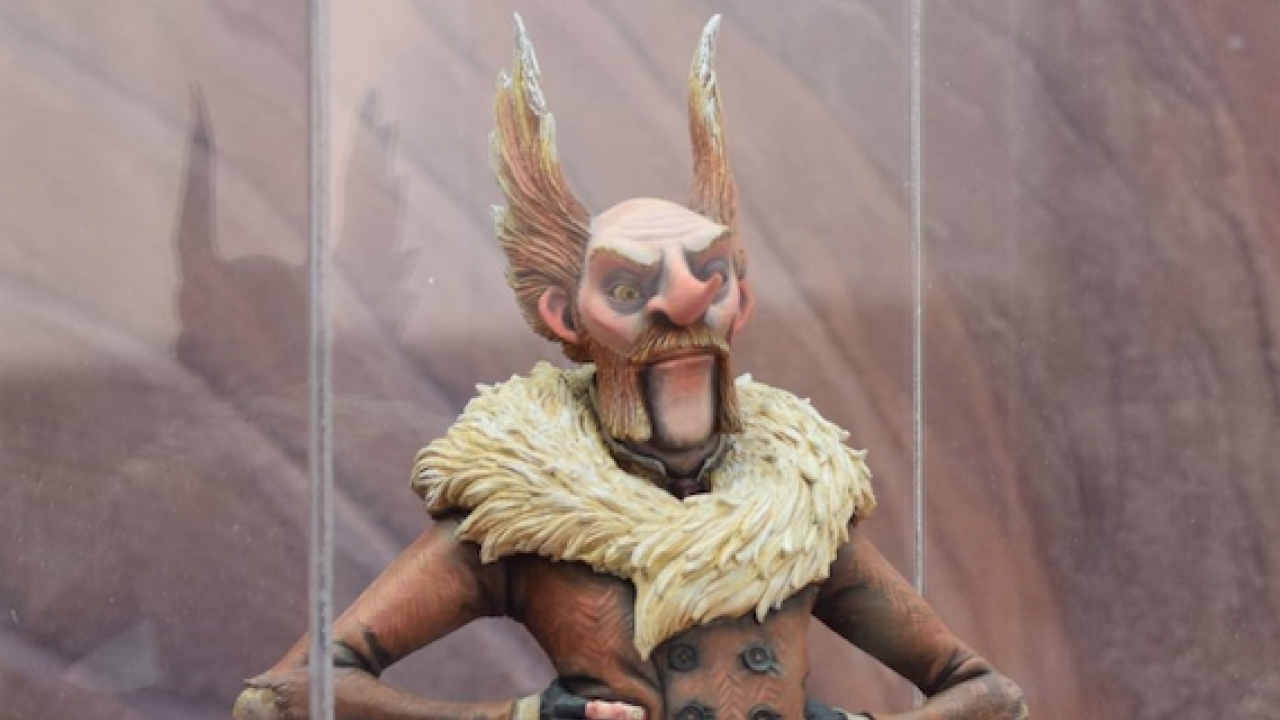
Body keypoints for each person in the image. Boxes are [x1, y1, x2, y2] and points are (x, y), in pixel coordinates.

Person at [233, 15, 1028, 720]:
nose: (682, 306)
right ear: (565, 318)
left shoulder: (797, 512)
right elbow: (285, 698)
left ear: (740, 302)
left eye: (706, 275)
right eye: (626, 287)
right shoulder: (526, 513)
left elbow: (988, 697)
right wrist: (522, 718)